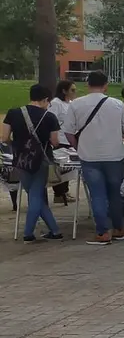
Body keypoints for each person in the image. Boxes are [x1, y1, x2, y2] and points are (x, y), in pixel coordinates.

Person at [65, 71, 124, 245]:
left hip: (89, 156)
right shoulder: (117, 104)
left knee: (97, 194)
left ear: (87, 85)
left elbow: (68, 131)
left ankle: (102, 232)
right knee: (114, 193)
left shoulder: (76, 105)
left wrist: (77, 146)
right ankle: (119, 228)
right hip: (114, 155)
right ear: (106, 85)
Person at [2, 84, 64, 242]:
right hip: (42, 160)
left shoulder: (13, 113)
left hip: (21, 159)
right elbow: (55, 141)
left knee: (33, 195)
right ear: (45, 100)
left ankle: (55, 230)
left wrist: (16, 145)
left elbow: (4, 137)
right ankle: (28, 233)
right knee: (36, 196)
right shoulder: (49, 117)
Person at [49, 80, 76, 204]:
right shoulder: (56, 103)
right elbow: (51, 120)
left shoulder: (71, 103)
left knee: (68, 167)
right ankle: (59, 193)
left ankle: (64, 191)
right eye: (72, 90)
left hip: (69, 139)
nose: (74, 93)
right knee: (60, 167)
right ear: (64, 91)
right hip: (59, 139)